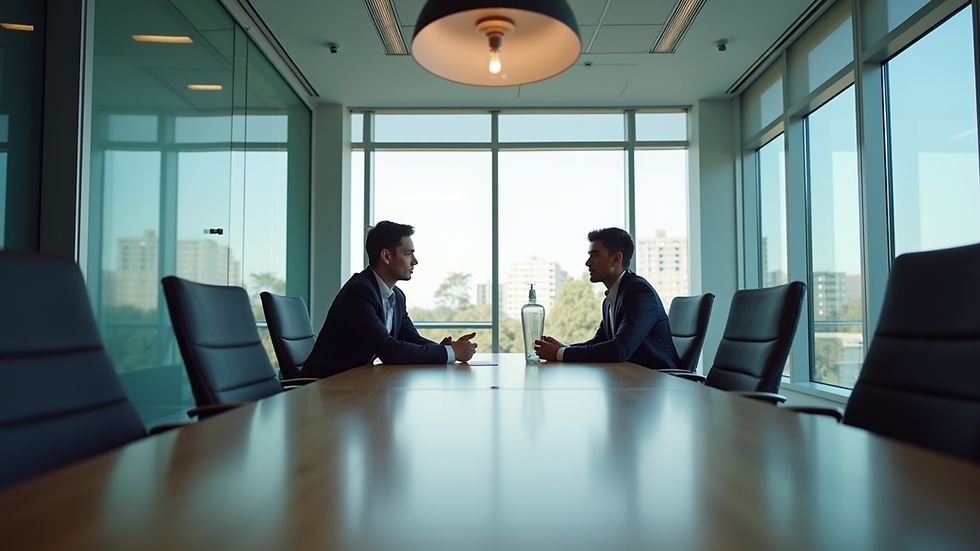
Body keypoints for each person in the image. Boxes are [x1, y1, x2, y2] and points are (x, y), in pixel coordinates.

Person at [303, 221, 477, 378]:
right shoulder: (359, 291)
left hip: (354, 383)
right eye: (408, 254)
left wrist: (447, 349)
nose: (415, 261)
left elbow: (413, 340)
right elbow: (389, 351)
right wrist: (450, 353)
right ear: (386, 256)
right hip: (324, 387)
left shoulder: (397, 297)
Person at [534, 227, 680, 370]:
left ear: (616, 259)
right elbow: (599, 342)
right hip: (632, 379)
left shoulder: (639, 292)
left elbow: (619, 349)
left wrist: (561, 353)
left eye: (595, 255)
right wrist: (564, 348)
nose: (588, 262)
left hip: (661, 382)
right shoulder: (610, 299)